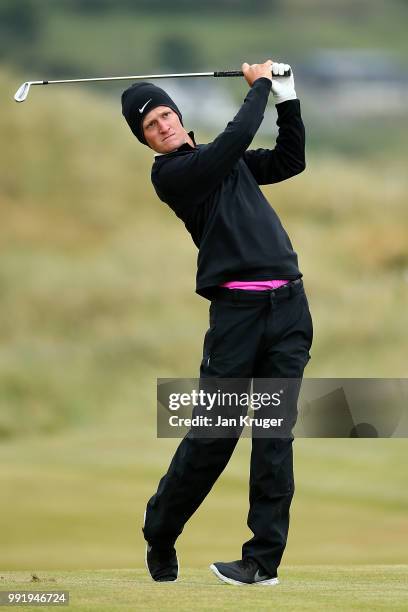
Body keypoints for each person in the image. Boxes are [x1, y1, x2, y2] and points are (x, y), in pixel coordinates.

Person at [121, 59, 313, 586]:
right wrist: (260, 89)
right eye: (150, 128)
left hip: (289, 309)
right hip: (237, 317)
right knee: (214, 436)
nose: (162, 127)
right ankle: (160, 530)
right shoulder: (175, 176)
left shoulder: (223, 161)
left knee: (276, 436)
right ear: (148, 143)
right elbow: (235, 139)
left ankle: (261, 562)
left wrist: (287, 97)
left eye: (164, 115)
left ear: (178, 115)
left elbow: (291, 159)